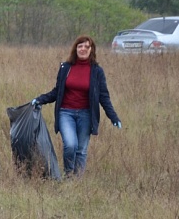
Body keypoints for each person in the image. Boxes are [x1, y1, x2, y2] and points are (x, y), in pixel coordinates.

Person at [31, 35, 122, 176]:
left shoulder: (97, 71)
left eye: (86, 46)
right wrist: (39, 99)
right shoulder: (65, 68)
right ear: (75, 49)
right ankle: (68, 174)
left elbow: (104, 97)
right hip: (65, 113)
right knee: (70, 145)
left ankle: (77, 180)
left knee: (81, 150)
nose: (83, 49)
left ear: (92, 50)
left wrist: (113, 117)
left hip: (86, 114)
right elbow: (57, 91)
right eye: (80, 46)